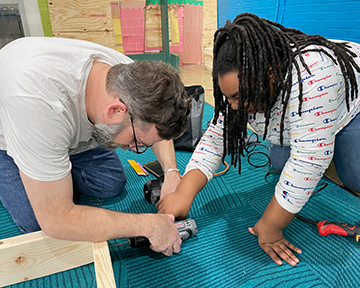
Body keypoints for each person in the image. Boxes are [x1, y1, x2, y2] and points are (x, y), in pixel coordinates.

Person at [157, 13, 360, 264]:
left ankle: (329, 137)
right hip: (303, 110)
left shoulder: (316, 77)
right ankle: (320, 135)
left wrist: (271, 227)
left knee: (354, 174)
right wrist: (184, 193)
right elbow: (215, 139)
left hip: (350, 105)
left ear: (271, 74)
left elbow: (309, 162)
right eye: (228, 97)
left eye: (238, 97)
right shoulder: (245, 83)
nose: (232, 107)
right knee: (281, 165)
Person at [0, 36, 191, 256]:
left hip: (61, 129)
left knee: (110, 183)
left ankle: (51, 167)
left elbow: (156, 123)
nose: (134, 149)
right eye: (136, 143)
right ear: (116, 111)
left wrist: (171, 172)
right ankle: (44, 167)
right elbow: (56, 220)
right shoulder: (36, 105)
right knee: (38, 221)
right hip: (10, 137)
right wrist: (148, 225)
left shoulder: (133, 77)